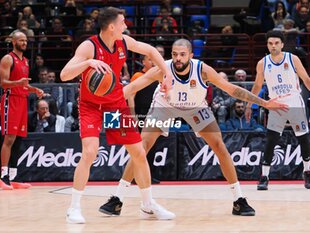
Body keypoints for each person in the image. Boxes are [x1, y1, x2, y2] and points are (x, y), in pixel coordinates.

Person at [98, 38, 289, 217]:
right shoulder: (162, 69)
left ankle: (239, 199)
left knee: (219, 146)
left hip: (195, 107)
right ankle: (117, 199)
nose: (178, 58)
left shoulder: (203, 70)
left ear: (191, 55)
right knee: (142, 147)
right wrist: (103, 102)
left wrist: (263, 103)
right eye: (174, 54)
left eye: (182, 54)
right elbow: (132, 88)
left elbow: (231, 89)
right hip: (165, 106)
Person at [60, 6, 174, 224]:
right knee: (90, 153)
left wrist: (167, 75)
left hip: (114, 104)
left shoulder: (123, 42)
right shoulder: (89, 46)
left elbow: (150, 51)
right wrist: (87, 63)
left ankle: (148, 205)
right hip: (91, 106)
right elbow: (65, 74)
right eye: (123, 22)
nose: (126, 25)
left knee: (139, 153)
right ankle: (73, 208)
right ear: (112, 26)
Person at [245, 30, 310, 190]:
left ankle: (307, 172)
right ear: (267, 45)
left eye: (276, 43)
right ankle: (264, 176)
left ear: (282, 44)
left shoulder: (292, 59)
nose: (273, 46)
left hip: (295, 101)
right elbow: (257, 85)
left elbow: (306, 79)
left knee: (304, 139)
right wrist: (249, 104)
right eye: (270, 43)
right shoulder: (262, 63)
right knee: (271, 140)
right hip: (275, 104)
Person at [0, 31, 44, 190]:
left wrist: (34, 90)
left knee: (18, 140)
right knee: (9, 139)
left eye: (26, 40)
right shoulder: (7, 58)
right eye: (21, 40)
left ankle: (13, 176)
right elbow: (4, 83)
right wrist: (18, 82)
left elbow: (23, 84)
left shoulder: (25, 61)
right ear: (13, 42)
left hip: (22, 101)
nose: (25, 43)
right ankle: (3, 176)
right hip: (10, 101)